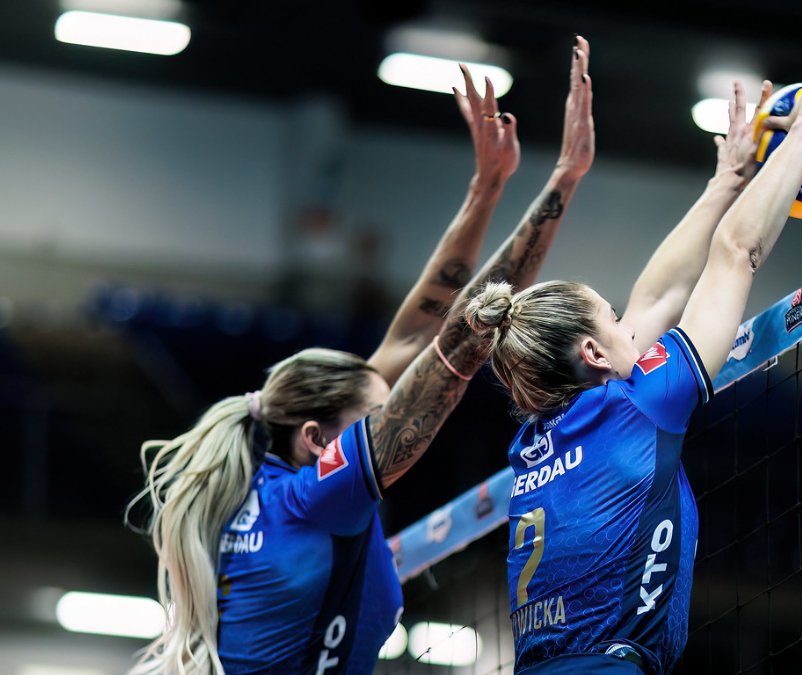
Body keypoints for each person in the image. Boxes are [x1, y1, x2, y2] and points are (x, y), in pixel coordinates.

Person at [128, 37, 595, 675]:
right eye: (372, 417)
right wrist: (559, 187)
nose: (388, 413)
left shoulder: (261, 492)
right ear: (318, 439)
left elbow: (417, 332)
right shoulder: (315, 498)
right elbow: (449, 344)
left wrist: (490, 189)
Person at [464, 22, 802, 674]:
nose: (627, 319)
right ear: (594, 353)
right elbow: (737, 253)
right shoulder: (638, 404)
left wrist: (727, 178)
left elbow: (657, 294)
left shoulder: (537, 437)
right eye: (612, 316)